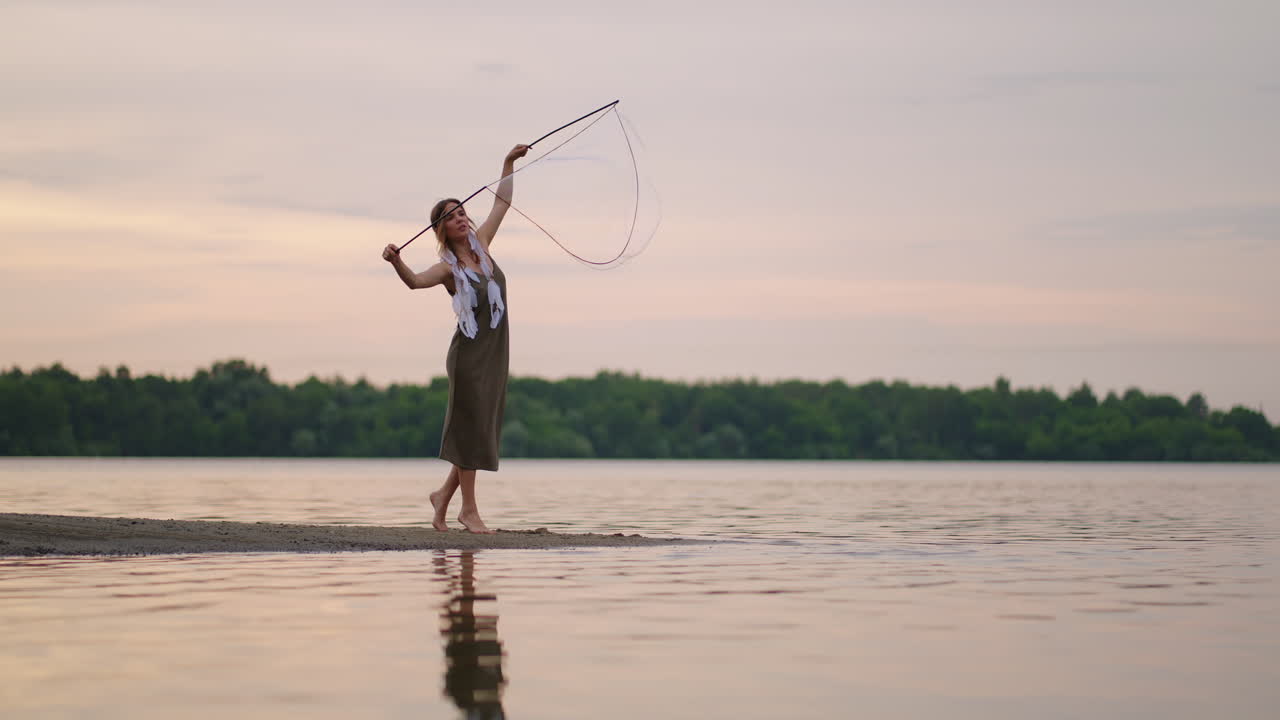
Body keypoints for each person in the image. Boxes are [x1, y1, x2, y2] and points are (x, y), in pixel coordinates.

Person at [383, 144, 530, 534]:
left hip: (495, 351)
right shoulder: (448, 269)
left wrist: (507, 163)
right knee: (470, 427)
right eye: (451, 217)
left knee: (480, 427)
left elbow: (502, 203)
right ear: (442, 229)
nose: (461, 218)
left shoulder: (483, 247)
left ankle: (442, 499)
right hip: (467, 356)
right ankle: (469, 510)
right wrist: (396, 260)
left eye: (462, 211)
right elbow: (414, 282)